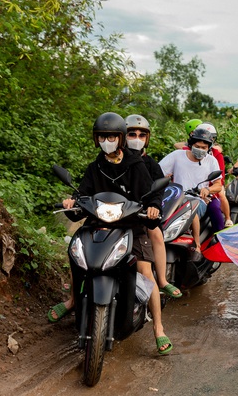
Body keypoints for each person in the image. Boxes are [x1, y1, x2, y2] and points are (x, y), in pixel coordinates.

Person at [48, 112, 172, 356]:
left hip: (133, 226)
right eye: (103, 136)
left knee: (146, 273)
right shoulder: (95, 168)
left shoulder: (136, 166)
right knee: (77, 256)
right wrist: (70, 203)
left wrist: (153, 207)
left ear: (121, 138)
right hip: (98, 225)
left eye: (112, 136)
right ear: (97, 139)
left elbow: (152, 193)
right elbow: (82, 196)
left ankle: (158, 327)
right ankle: (73, 300)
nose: (107, 140)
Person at [125, 114, 183, 299]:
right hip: (114, 212)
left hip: (140, 214)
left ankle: (163, 281)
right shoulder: (114, 160)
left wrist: (154, 207)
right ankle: (72, 298)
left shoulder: (151, 164)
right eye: (131, 134)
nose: (137, 139)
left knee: (156, 233)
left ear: (147, 139)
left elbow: (158, 191)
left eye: (142, 135)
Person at [159, 128, 224, 249]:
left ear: (209, 148)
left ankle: (197, 245)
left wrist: (208, 190)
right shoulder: (177, 156)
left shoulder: (211, 161)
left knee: (190, 209)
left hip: (198, 199)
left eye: (204, 148)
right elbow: (158, 172)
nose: (200, 150)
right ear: (190, 145)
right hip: (175, 197)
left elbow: (218, 184)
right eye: (197, 146)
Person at [196, 122, 233, 227]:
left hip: (209, 192)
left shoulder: (216, 155)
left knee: (215, 208)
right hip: (188, 193)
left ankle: (221, 231)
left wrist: (208, 190)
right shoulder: (185, 153)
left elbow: (219, 178)